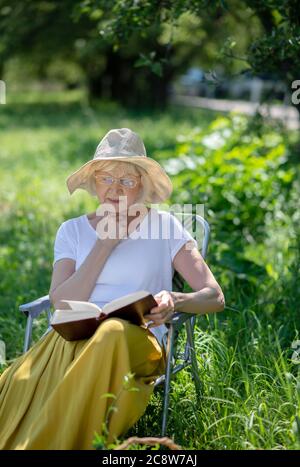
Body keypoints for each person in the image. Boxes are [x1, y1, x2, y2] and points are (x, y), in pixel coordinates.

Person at [0, 128, 225, 450]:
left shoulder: (165, 227)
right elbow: (61, 301)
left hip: (136, 335)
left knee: (111, 331)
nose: (114, 189)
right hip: (76, 333)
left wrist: (175, 300)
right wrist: (104, 246)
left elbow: (214, 297)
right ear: (93, 183)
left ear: (143, 185)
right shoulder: (73, 231)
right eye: (106, 178)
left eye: (126, 181)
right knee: (40, 364)